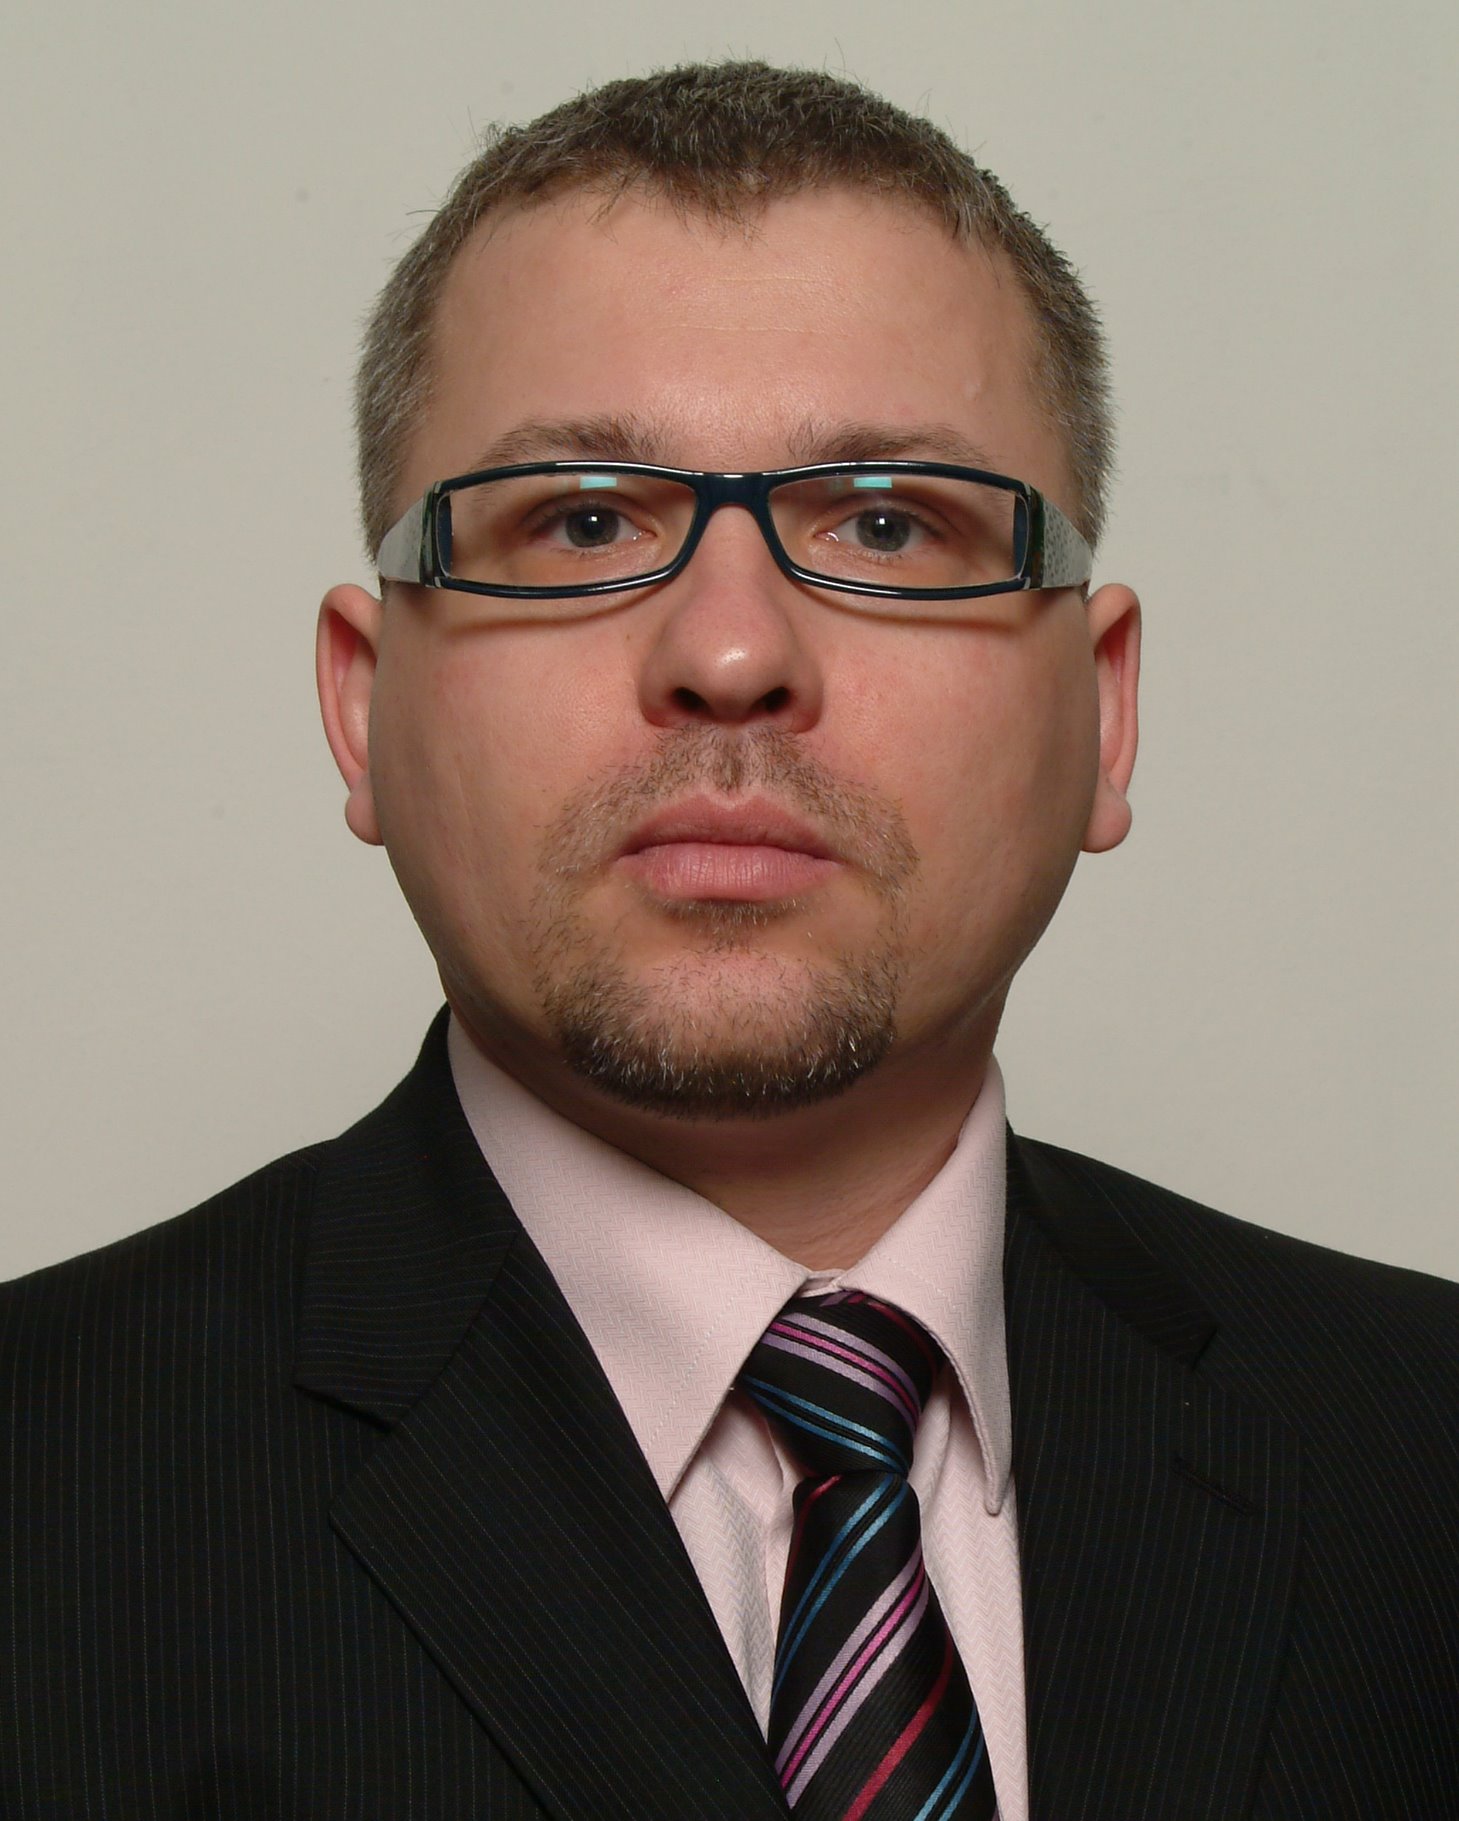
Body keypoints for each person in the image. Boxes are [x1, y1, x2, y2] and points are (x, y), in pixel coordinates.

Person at [3, 61, 1456, 1821]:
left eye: (890, 525)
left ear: (1104, 711)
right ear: (366, 704)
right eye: (583, 523)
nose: (732, 653)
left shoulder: (1423, 1454)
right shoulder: (39, 1487)